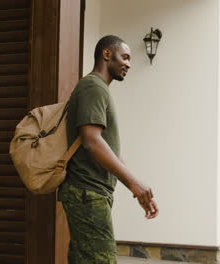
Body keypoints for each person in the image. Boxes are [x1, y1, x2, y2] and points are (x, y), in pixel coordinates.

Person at [58, 35, 159, 263]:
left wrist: (136, 188)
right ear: (106, 54)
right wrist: (134, 183)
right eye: (124, 57)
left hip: (91, 192)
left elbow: (109, 148)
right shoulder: (93, 87)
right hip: (87, 192)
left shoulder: (97, 88)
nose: (129, 64)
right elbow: (92, 141)